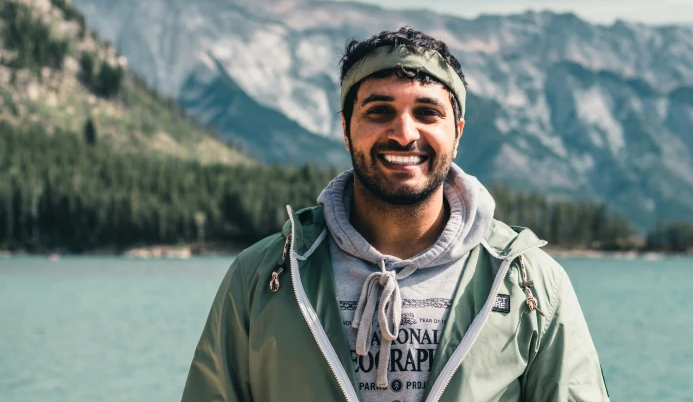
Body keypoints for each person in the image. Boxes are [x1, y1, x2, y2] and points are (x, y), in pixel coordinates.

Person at [181, 27, 610, 402]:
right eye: (379, 111)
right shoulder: (262, 275)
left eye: (427, 113)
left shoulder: (529, 279)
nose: (404, 133)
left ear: (456, 133)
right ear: (346, 128)